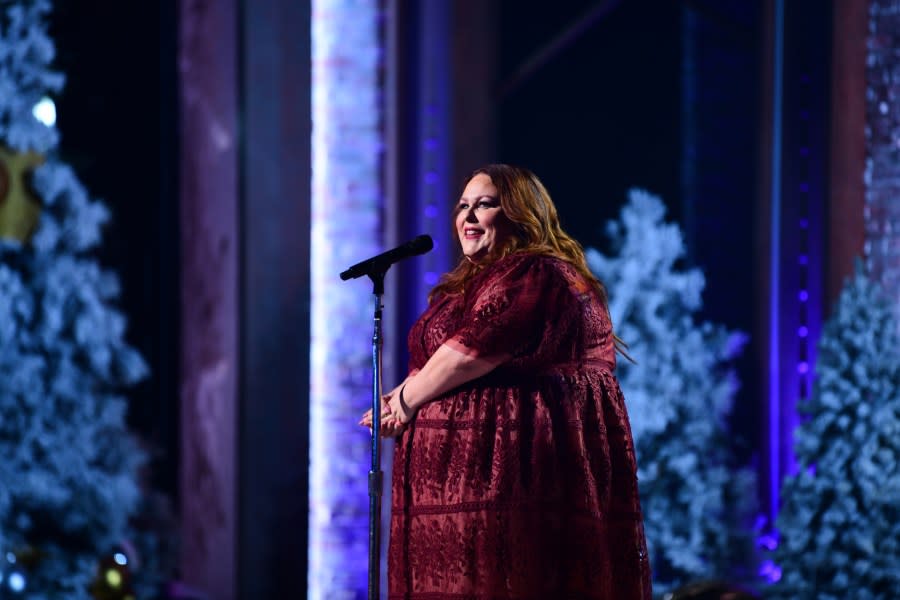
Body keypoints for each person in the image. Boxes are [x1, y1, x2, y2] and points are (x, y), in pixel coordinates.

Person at [360, 164, 652, 599]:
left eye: (485, 205)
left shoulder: (536, 273)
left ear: (520, 213)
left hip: (502, 480)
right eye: (463, 206)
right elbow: (442, 353)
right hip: (443, 493)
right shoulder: (468, 285)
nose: (468, 217)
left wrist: (405, 399)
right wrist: (402, 396)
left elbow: (479, 345)